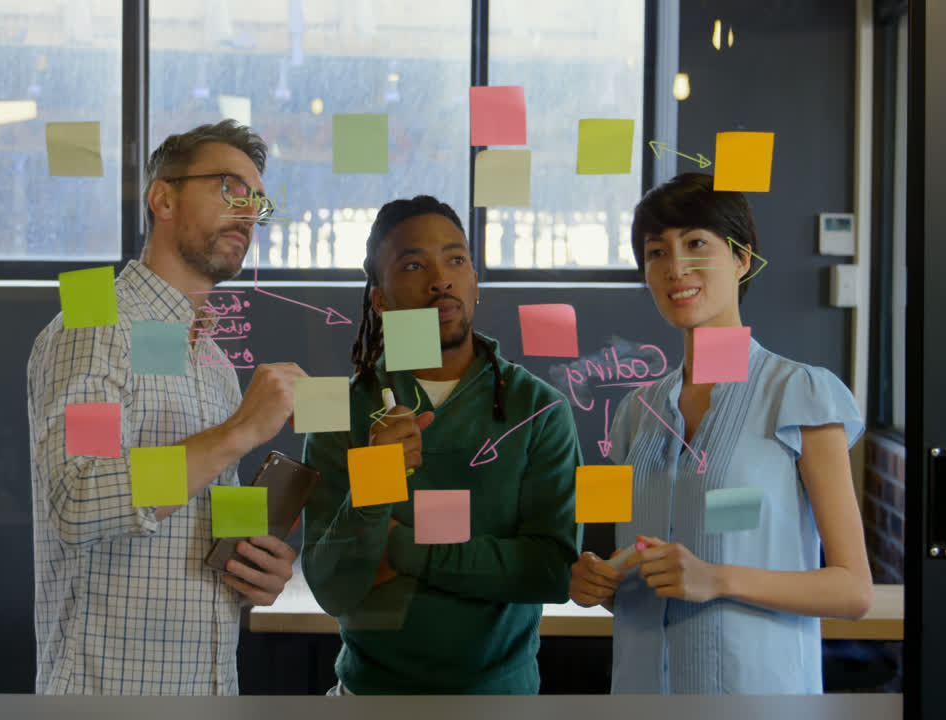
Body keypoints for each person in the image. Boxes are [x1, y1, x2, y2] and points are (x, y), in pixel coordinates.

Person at [26, 119, 307, 695]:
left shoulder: (213, 363)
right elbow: (80, 495)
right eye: (230, 187)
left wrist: (256, 563)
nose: (249, 212)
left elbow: (192, 515)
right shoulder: (95, 321)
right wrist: (240, 431)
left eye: (258, 199)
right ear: (163, 199)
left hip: (207, 687)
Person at [568, 173, 873, 694]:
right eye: (656, 252)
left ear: (741, 259)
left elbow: (853, 591)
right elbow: (630, 564)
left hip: (759, 695)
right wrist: (594, 580)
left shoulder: (801, 394)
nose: (675, 267)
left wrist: (718, 578)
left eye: (696, 244)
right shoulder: (635, 413)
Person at [300, 195, 582, 695]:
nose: (441, 279)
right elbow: (332, 589)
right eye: (413, 264)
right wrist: (376, 482)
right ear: (381, 299)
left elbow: (551, 572)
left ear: (475, 281)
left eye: (456, 259)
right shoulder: (336, 410)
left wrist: (402, 548)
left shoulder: (539, 409)